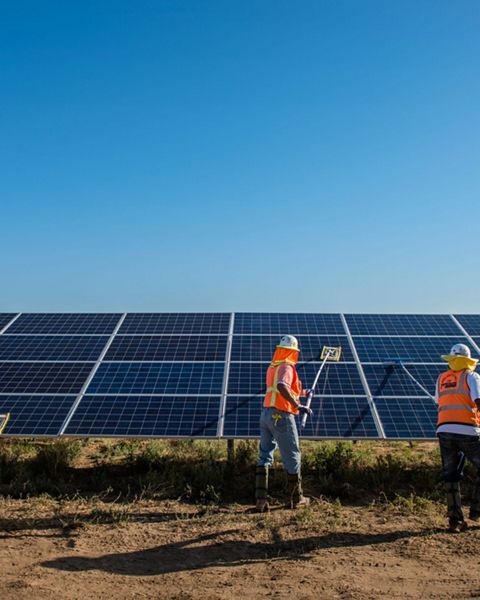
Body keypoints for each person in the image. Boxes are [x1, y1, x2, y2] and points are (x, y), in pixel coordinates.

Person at [254, 335, 313, 512]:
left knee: (264, 456)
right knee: (293, 455)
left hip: (266, 414)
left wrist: (303, 392)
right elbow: (281, 386)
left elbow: (283, 388)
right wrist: (298, 405)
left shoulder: (273, 367)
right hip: (281, 415)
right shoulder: (287, 366)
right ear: (293, 352)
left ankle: (260, 501)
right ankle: (296, 498)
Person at [435, 343, 480, 532]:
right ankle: (477, 509)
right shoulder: (472, 376)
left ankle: (455, 520)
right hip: (469, 429)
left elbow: (438, 401)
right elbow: (478, 400)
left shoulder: (441, 378)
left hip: (444, 430)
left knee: (451, 475)